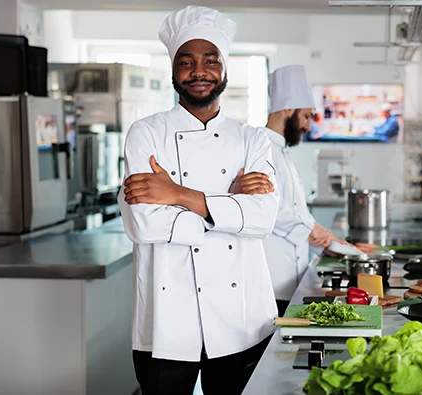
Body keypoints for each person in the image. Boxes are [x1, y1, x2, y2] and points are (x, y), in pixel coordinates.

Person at [117, 6, 279, 394]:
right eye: (186, 62)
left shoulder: (252, 139)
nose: (198, 71)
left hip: (242, 320)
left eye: (210, 61)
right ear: (174, 71)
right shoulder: (146, 133)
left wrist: (176, 195)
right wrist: (227, 207)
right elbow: (143, 224)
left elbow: (261, 220)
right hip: (167, 319)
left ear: (224, 69)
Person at [234, 65, 350, 316]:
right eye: (306, 116)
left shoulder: (283, 151)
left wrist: (324, 239)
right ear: (288, 109)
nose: (308, 126)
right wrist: (312, 231)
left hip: (291, 275)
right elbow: (266, 209)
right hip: (271, 278)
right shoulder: (259, 148)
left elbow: (296, 210)